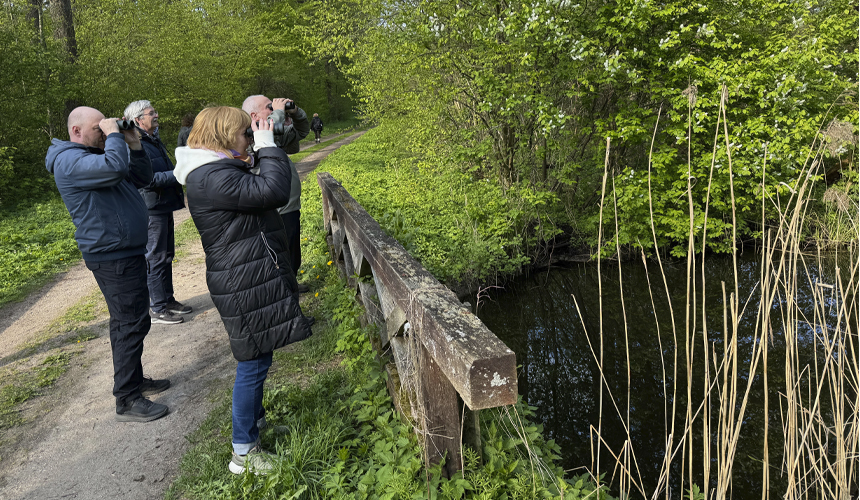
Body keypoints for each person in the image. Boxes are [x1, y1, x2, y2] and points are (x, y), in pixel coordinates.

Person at [173, 106, 314, 474]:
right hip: (240, 280)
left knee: (260, 354)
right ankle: (243, 452)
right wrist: (267, 145)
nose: (248, 139)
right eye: (244, 134)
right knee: (252, 361)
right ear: (222, 136)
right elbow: (273, 191)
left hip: (246, 273)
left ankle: (256, 424)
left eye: (252, 135)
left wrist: (259, 149)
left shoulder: (214, 170)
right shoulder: (211, 176)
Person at [46, 106, 170, 423]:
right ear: (76, 132)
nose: (103, 133)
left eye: (105, 129)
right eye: (97, 129)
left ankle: (133, 381)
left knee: (131, 320)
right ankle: (127, 399)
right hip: (111, 254)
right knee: (130, 322)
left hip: (124, 250)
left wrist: (132, 141)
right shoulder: (70, 161)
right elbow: (116, 169)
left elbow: (142, 177)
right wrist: (114, 135)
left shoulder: (97, 155)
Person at [124, 100, 192, 325]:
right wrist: (178, 174)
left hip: (163, 204)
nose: (156, 115)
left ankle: (168, 299)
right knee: (155, 257)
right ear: (137, 120)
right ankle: (158, 307)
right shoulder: (135, 144)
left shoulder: (152, 139)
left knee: (166, 255)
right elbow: (147, 179)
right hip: (152, 208)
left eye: (154, 111)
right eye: (151, 113)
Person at [241, 95, 310, 293]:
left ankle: (291, 284)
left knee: (292, 251)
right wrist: (278, 113)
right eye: (268, 107)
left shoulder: (273, 133)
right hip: (275, 209)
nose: (273, 109)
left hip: (289, 204)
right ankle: (284, 292)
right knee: (279, 254)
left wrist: (295, 112)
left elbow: (302, 130)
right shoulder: (247, 136)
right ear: (254, 115)